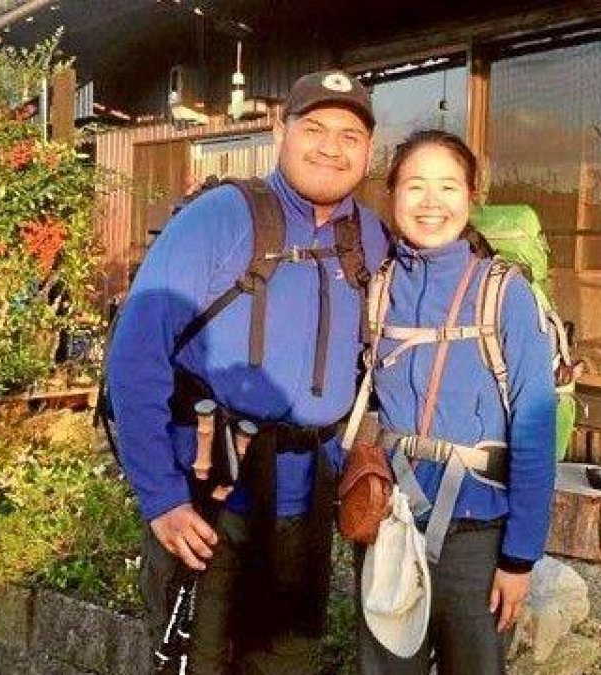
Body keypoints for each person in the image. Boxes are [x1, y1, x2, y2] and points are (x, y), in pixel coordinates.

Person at [106, 70, 389, 674]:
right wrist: (160, 496)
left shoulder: (370, 237)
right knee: (196, 663)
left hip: (304, 507)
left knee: (287, 663)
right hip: (209, 498)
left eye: (350, 136)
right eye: (314, 128)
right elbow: (135, 356)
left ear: (369, 150)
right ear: (280, 132)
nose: (331, 148)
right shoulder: (221, 217)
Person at [354, 129, 557, 675]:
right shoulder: (378, 288)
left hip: (478, 537)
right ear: (392, 193)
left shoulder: (505, 293)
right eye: (415, 185)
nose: (431, 202)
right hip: (390, 523)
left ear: (471, 197)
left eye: (448, 186)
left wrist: (520, 557)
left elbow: (535, 429)